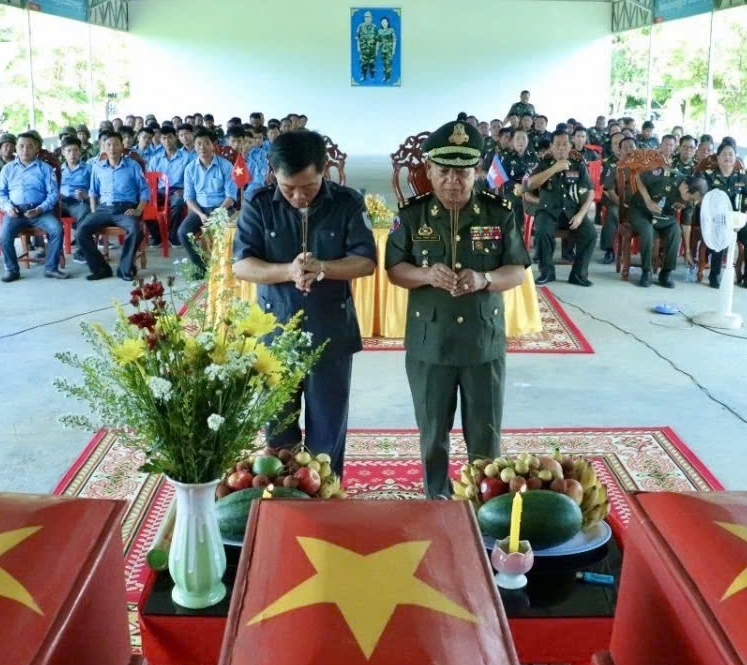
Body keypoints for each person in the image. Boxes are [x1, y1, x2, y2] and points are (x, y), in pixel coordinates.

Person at [385, 121, 531, 499]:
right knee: (432, 432)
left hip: (482, 342)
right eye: (444, 171)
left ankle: (484, 501)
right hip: (429, 343)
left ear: (476, 172)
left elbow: (516, 269)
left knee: (485, 435)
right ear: (429, 172)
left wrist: (484, 279)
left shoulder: (498, 213)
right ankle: (436, 497)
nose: (453, 181)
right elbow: (394, 271)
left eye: (462, 172)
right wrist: (425, 274)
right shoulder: (413, 215)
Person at [233, 130, 377, 477]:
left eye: (308, 187)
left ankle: (326, 494)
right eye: (288, 188)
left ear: (324, 169)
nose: (298, 197)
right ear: (273, 173)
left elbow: (366, 261)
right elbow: (242, 265)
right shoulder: (259, 203)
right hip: (275, 334)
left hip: (330, 331)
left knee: (327, 427)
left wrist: (324, 267)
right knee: (278, 430)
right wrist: (288, 270)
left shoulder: (347, 202)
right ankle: (285, 498)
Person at [0, 132, 68, 283]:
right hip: (15, 211)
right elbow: (0, 192)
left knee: (57, 229)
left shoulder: (45, 168)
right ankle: (12, 270)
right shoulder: (7, 169)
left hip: (40, 211)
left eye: (29, 146)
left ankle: (51, 268)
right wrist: (8, 207)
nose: (25, 150)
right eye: (21, 146)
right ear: (16, 148)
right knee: (4, 235)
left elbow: (53, 194)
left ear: (36, 149)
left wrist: (40, 209)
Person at [527, 130, 596, 286]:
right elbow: (530, 184)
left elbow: (590, 193)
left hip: (572, 212)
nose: (561, 148)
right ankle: (547, 272)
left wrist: (580, 215)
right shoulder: (544, 164)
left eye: (565, 145)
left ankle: (578, 274)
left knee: (590, 234)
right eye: (557, 145)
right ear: (551, 146)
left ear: (570, 146)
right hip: (548, 211)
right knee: (542, 232)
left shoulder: (578, 165)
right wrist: (554, 168)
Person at [76, 131, 148, 281]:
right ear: (103, 147)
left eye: (116, 144)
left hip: (125, 208)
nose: (112, 148)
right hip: (103, 209)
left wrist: (139, 209)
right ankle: (101, 269)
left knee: (135, 229)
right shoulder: (97, 167)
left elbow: (144, 190)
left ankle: (125, 269)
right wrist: (94, 212)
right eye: (108, 144)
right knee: (81, 231)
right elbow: (93, 192)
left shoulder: (133, 165)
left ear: (122, 146)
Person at [629, 163, 707, 288]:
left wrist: (687, 250)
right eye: (691, 199)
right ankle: (646, 271)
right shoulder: (666, 175)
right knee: (647, 230)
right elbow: (639, 177)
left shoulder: (691, 198)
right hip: (641, 210)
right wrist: (648, 201)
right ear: (686, 188)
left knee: (676, 231)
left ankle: (666, 272)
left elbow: (686, 225)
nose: (692, 202)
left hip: (665, 216)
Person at [176, 128, 236, 277]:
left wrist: (218, 213)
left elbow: (231, 196)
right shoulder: (190, 169)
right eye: (199, 143)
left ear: (213, 145)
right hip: (200, 209)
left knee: (223, 232)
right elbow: (188, 197)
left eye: (206, 143)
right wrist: (200, 214)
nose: (202, 147)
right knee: (183, 232)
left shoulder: (226, 166)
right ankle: (201, 267)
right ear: (194, 146)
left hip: (222, 208)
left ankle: (223, 268)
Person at [702, 141, 747, 290]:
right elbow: (704, 202)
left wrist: (744, 219)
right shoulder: (709, 176)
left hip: (738, 219)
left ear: (735, 158)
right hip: (717, 220)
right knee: (721, 232)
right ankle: (714, 275)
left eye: (731, 154)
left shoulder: (741, 176)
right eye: (724, 154)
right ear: (718, 157)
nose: (728, 157)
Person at [148, 124, 195, 247]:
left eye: (169, 137)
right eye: (163, 138)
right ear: (160, 140)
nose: (167, 141)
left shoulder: (187, 158)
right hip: (160, 191)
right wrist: (151, 193)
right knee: (144, 203)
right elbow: (151, 180)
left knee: (179, 203)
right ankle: (157, 236)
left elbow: (193, 179)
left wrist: (185, 189)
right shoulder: (155, 159)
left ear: (175, 138)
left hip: (177, 191)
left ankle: (173, 237)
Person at [598, 133, 633, 264]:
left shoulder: (641, 165)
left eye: (632, 147)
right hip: (614, 199)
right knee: (613, 213)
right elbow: (608, 191)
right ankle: (609, 249)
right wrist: (622, 204)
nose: (629, 150)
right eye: (625, 147)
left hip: (634, 203)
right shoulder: (611, 165)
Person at [59, 136, 93, 262]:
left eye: (75, 150)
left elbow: (97, 189)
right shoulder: (57, 170)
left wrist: (86, 195)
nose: (72, 154)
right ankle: (46, 250)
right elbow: (50, 188)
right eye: (68, 151)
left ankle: (81, 250)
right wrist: (56, 195)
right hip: (61, 202)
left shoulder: (88, 169)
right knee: (45, 211)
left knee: (85, 211)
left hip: (79, 202)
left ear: (80, 152)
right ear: (63, 152)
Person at [356, 10, 378, 81]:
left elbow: (377, 40)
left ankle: (372, 77)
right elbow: (357, 38)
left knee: (372, 64)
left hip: (372, 50)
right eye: (366, 17)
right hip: (363, 50)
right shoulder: (360, 26)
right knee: (363, 64)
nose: (367, 19)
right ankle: (364, 76)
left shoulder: (374, 27)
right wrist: (358, 47)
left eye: (369, 17)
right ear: (364, 18)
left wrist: (377, 49)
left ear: (371, 18)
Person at [377, 16, 397, 82]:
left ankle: (389, 77)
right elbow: (378, 41)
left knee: (388, 63)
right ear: (381, 23)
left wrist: (393, 50)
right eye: (382, 22)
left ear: (387, 23)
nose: (384, 23)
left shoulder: (391, 30)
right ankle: (385, 77)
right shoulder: (379, 31)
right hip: (382, 50)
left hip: (389, 50)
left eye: (385, 22)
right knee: (384, 64)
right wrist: (376, 50)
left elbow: (394, 40)